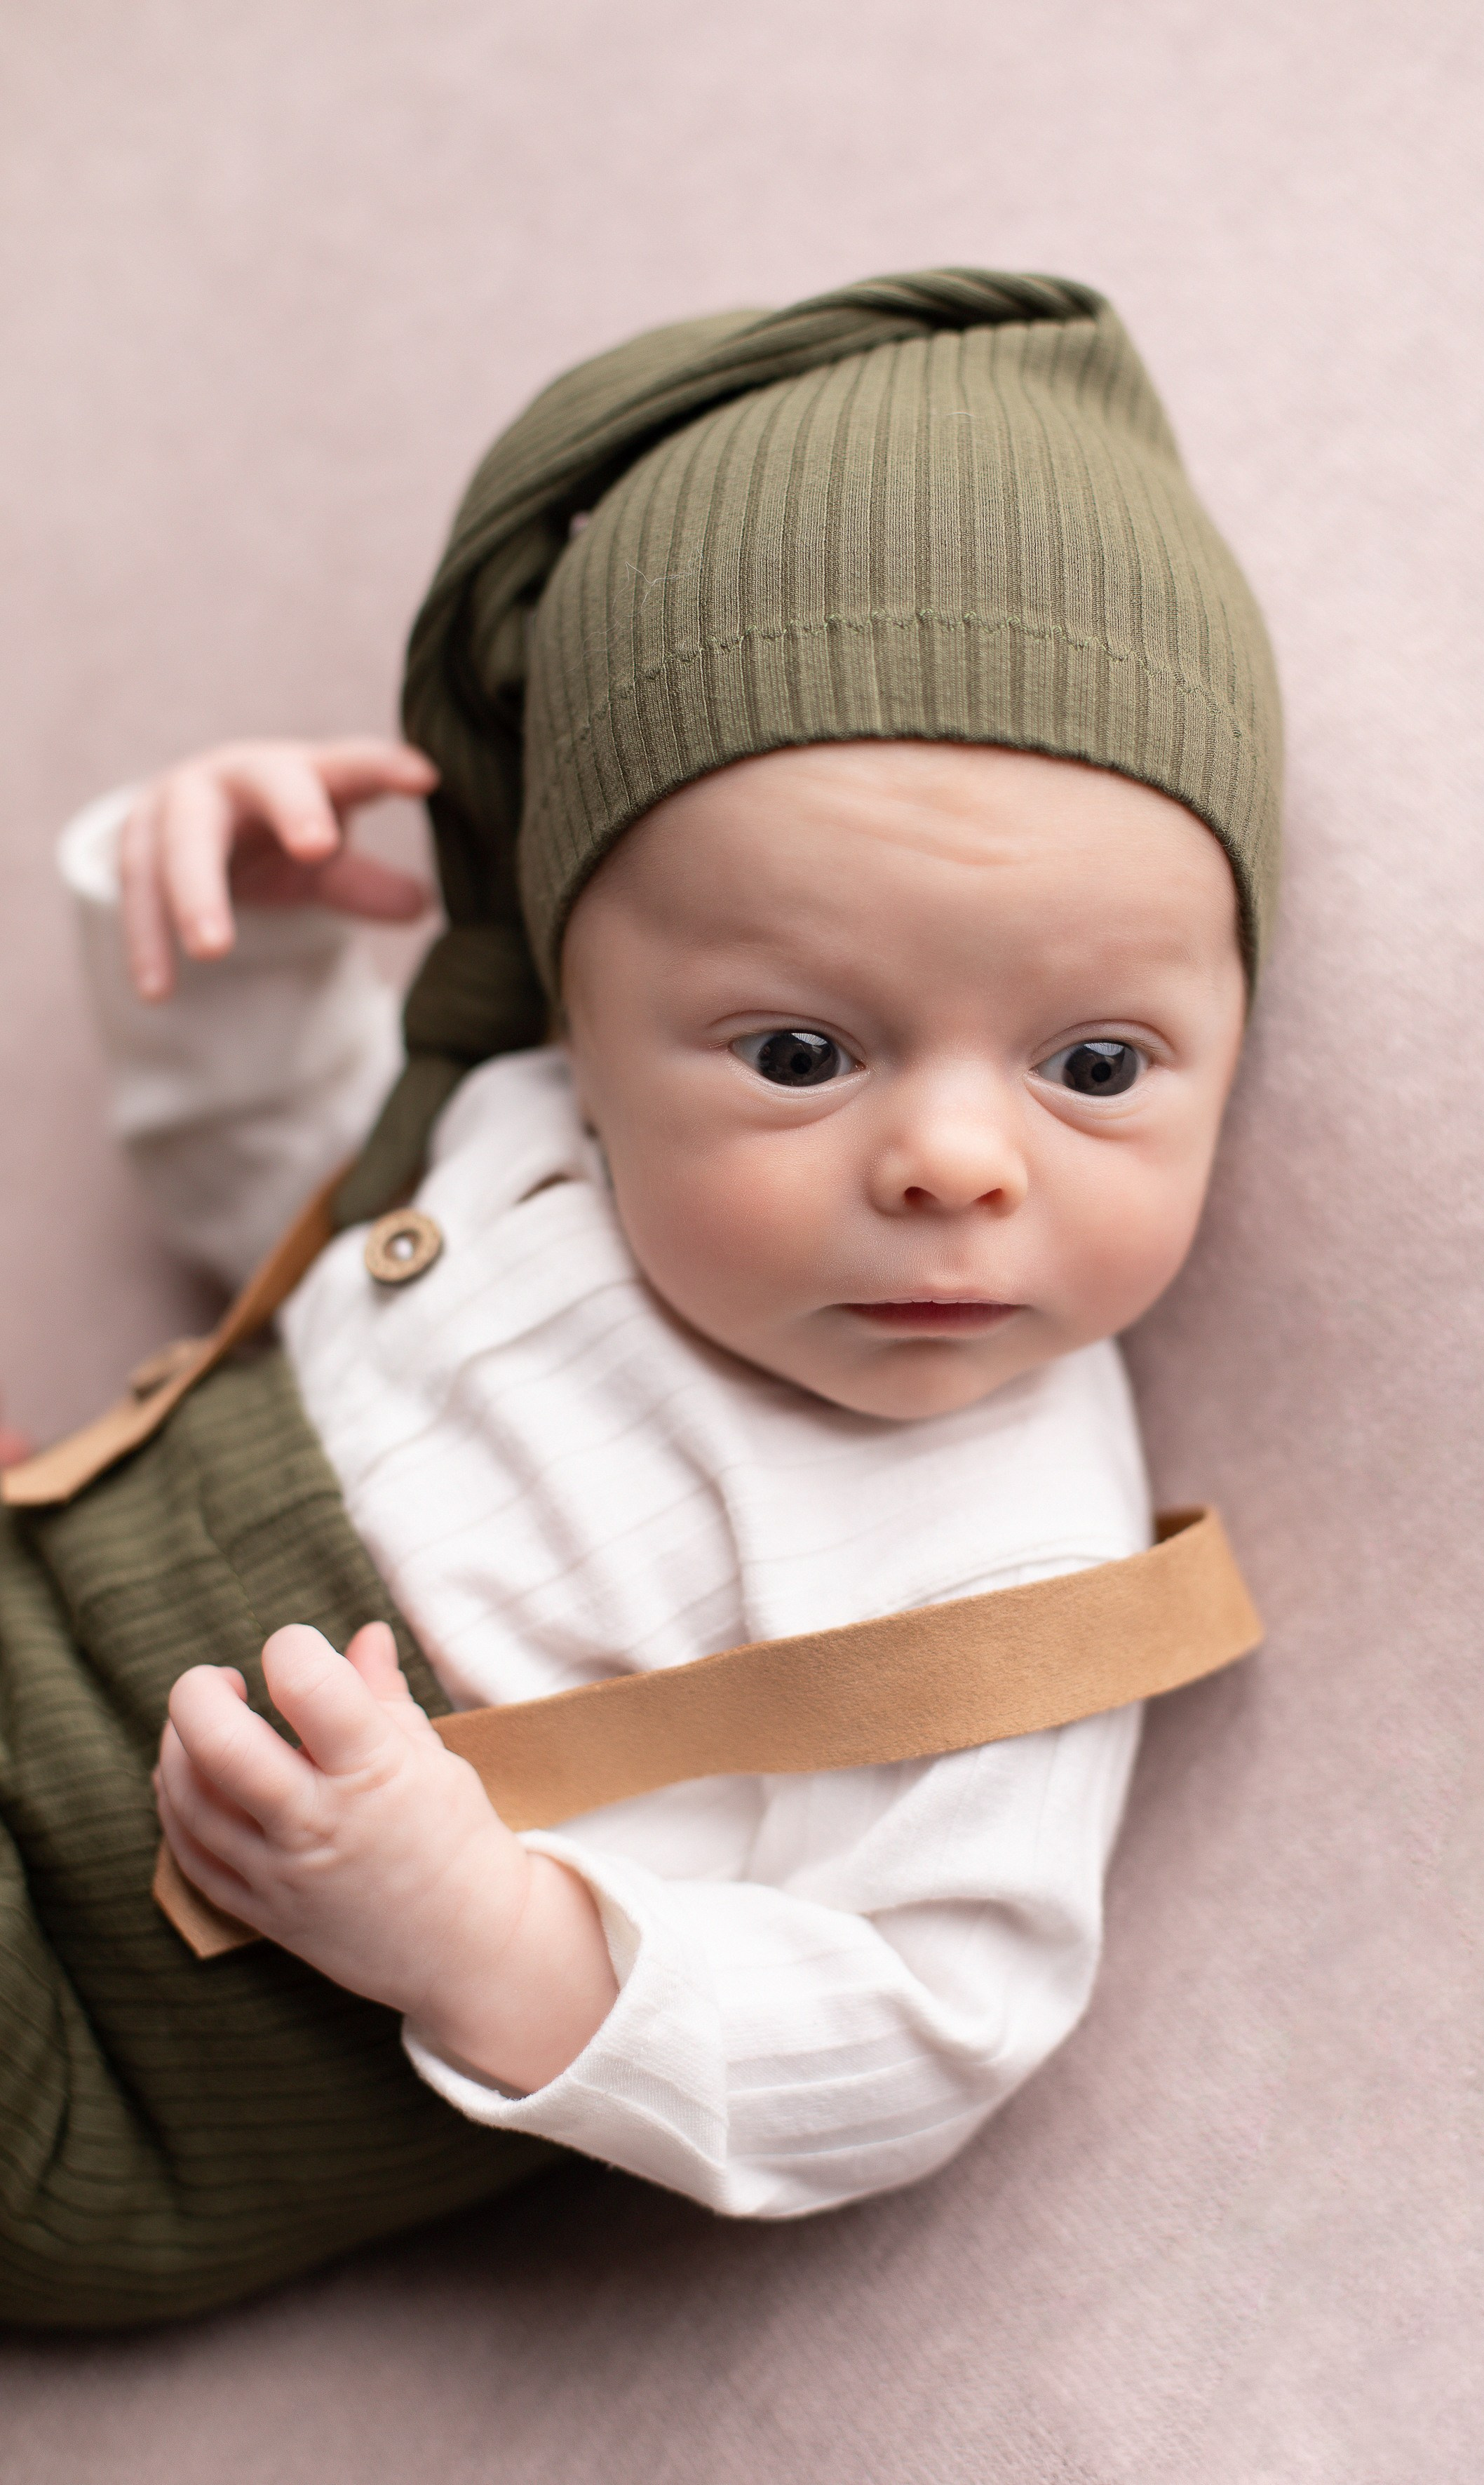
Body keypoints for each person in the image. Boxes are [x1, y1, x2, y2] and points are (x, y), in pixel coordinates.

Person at [1, 268, 1281, 2325]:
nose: (956, 1161)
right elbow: (280, 1219)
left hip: (126, 2041)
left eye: (1097, 1066)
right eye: (797, 1054)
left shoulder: (1004, 1579)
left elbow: (935, 2016)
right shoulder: (518, 1134)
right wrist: (238, 955)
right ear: (586, 1033)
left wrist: (483, 1936)